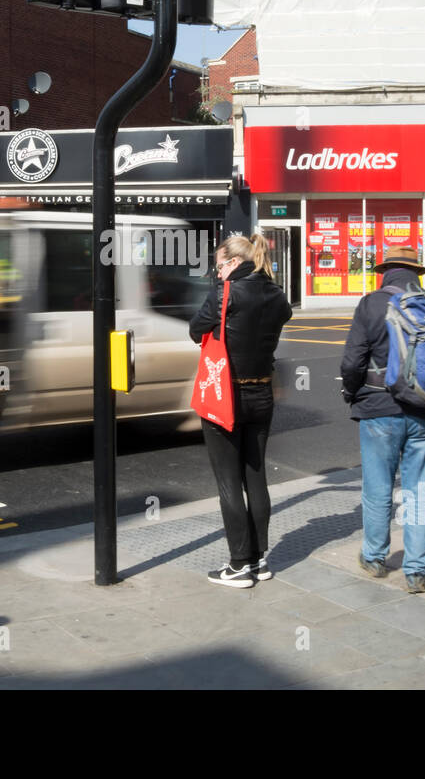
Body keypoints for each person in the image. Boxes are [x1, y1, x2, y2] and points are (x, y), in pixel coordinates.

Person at [341, 245, 425, 594]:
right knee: (420, 492)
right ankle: (416, 571)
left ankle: (374, 557)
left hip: (379, 409)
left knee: (378, 487)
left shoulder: (371, 303)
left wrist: (352, 393)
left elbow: (353, 360)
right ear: (417, 273)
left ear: (385, 271)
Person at [189, 233, 292, 588]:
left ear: (234, 262)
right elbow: (283, 317)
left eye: (219, 265)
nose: (217, 273)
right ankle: (259, 560)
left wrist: (222, 298)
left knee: (228, 482)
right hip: (262, 392)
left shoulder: (226, 292)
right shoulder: (278, 295)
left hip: (225, 395)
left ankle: (237, 565)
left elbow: (195, 330)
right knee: (255, 477)